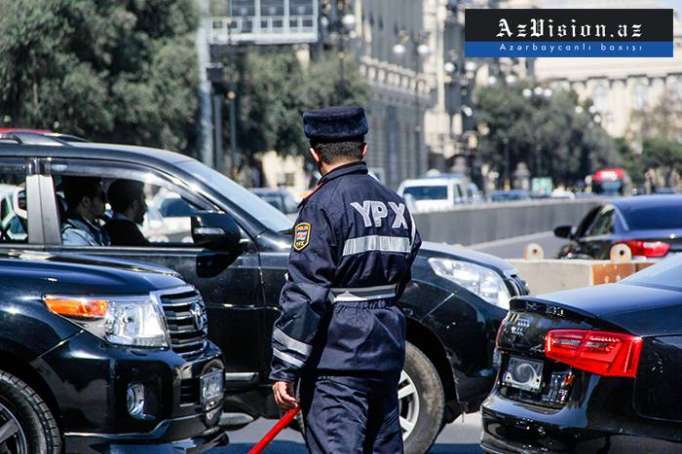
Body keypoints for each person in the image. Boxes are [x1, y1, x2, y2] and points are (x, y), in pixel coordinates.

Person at [269, 106, 421, 453]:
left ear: (314, 154)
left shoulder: (322, 206)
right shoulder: (396, 205)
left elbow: (306, 292)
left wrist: (285, 368)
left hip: (338, 362)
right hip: (385, 353)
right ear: (364, 150)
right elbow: (405, 273)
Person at [61, 176, 110, 246]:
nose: (105, 201)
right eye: (102, 197)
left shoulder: (95, 230)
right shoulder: (74, 236)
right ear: (86, 201)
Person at [104, 179, 149, 246]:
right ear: (135, 205)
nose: (146, 207)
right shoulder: (132, 235)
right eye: (143, 201)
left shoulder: (106, 229)